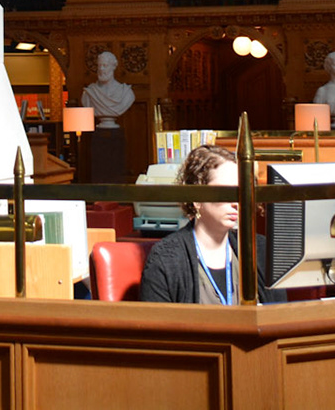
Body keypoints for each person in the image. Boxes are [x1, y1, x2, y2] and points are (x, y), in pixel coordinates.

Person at [140, 144, 241, 304]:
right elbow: (157, 326)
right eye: (225, 192)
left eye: (239, 192)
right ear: (197, 199)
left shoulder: (258, 250)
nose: (236, 202)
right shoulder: (165, 259)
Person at [80, 50, 135, 127]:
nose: (101, 69)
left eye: (105, 65)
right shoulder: (89, 93)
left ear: (113, 67)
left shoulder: (126, 93)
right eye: (99, 66)